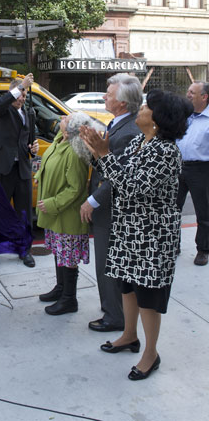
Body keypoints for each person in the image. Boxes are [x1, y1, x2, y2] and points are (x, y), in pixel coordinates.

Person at [80, 90, 193, 381]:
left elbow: (132, 186)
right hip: (129, 229)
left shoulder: (166, 151)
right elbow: (116, 175)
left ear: (157, 119)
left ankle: (150, 353)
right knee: (127, 286)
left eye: (146, 107)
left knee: (148, 297)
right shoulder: (139, 143)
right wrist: (97, 151)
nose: (140, 109)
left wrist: (104, 155)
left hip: (152, 235)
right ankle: (130, 336)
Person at [80, 74, 142, 332]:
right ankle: (112, 309)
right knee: (106, 262)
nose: (104, 96)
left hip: (113, 209)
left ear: (123, 103)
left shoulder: (129, 131)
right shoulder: (117, 124)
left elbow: (118, 176)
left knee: (109, 264)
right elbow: (106, 164)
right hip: (108, 207)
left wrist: (93, 201)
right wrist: (94, 153)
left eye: (109, 93)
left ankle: (115, 317)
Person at [36, 112, 102, 315]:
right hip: (57, 213)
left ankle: (69, 299)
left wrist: (53, 203)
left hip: (66, 213)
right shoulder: (60, 140)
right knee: (59, 252)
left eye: (66, 118)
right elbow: (47, 162)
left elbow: (75, 188)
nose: (62, 118)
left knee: (68, 256)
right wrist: (40, 175)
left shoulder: (74, 152)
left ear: (70, 129)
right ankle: (60, 288)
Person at [0, 73, 39, 269]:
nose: (21, 99)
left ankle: (24, 250)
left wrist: (32, 149)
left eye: (24, 95)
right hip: (1, 168)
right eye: (19, 94)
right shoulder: (0, 110)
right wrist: (21, 86)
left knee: (23, 212)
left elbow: (27, 141)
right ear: (12, 93)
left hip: (22, 170)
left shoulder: (27, 113)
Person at [176, 81, 209, 266]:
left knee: (203, 212)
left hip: (201, 169)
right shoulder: (185, 117)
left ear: (204, 97)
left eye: (192, 92)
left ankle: (203, 250)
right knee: (173, 209)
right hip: (179, 166)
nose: (187, 95)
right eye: (188, 91)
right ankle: (174, 245)